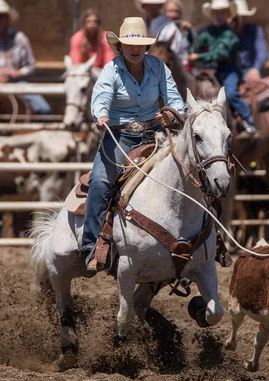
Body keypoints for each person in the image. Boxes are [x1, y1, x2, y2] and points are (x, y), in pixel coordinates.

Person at [82, 16, 184, 270]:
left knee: (188, 171)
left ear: (146, 46)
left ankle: (206, 238)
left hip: (155, 133)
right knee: (101, 182)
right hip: (119, 135)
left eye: (139, 44)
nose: (135, 49)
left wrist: (170, 112)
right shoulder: (111, 70)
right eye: (130, 44)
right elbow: (102, 96)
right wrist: (101, 114)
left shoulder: (159, 68)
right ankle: (90, 245)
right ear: (121, 47)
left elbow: (174, 98)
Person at [188, 0, 257, 138]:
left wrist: (198, 57)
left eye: (222, 13)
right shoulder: (209, 32)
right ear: (212, 15)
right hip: (213, 70)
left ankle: (248, 119)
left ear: (227, 15)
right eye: (216, 13)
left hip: (229, 69)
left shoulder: (229, 34)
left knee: (231, 92)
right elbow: (198, 42)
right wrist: (190, 32)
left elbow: (220, 53)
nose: (218, 15)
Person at [0, 0, 51, 114]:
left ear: (7, 18)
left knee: (44, 109)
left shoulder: (20, 39)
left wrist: (15, 73)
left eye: (1, 16)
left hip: (17, 84)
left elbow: (31, 65)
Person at [69, 8, 115, 77]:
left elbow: (109, 63)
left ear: (99, 24)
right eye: (89, 21)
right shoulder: (77, 38)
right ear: (84, 23)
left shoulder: (105, 39)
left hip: (101, 73)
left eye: (95, 22)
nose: (92, 25)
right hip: (81, 73)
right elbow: (76, 63)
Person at [230, 0, 268, 82]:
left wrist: (256, 69)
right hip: (230, 70)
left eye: (244, 17)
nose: (242, 20)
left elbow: (262, 53)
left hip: (249, 69)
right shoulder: (226, 32)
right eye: (239, 17)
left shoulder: (255, 30)